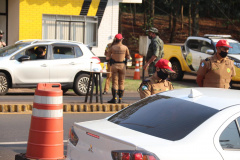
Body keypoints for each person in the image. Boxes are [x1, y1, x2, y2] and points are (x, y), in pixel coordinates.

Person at [106, 33, 131, 103]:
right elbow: (128, 57)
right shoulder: (125, 47)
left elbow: (107, 57)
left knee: (114, 82)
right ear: (121, 39)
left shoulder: (112, 47)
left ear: (115, 39)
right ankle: (120, 98)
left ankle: (114, 98)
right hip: (122, 66)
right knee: (122, 82)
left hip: (114, 65)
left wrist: (112, 57)